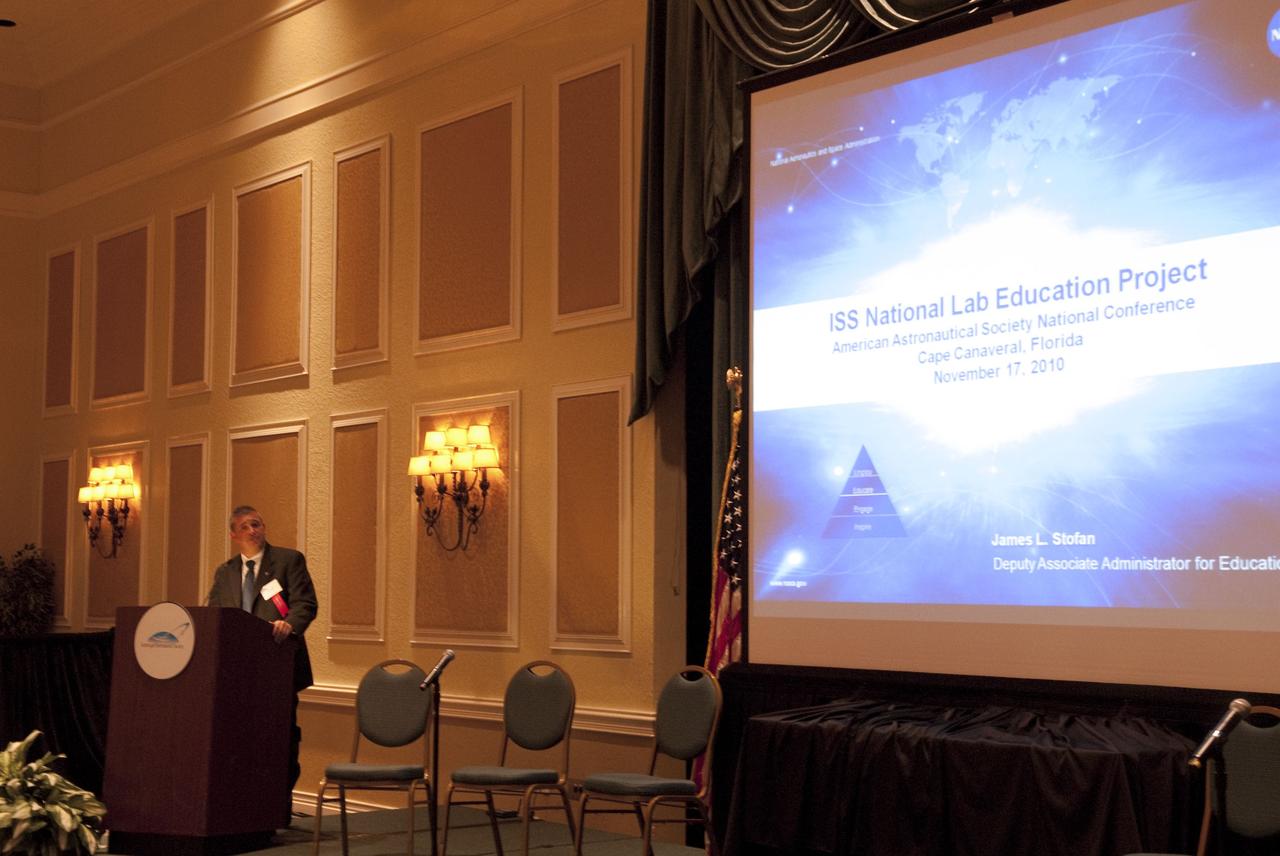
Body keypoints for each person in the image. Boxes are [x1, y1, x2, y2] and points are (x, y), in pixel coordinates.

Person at [205, 505, 317, 819]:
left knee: (278, 743)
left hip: (277, 669)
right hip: (237, 676)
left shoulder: (287, 560)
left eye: (256, 524)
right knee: (241, 746)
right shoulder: (225, 572)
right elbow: (214, 614)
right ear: (233, 535)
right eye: (244, 527)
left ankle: (277, 808)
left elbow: (305, 603)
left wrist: (289, 625)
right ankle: (242, 811)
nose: (252, 531)